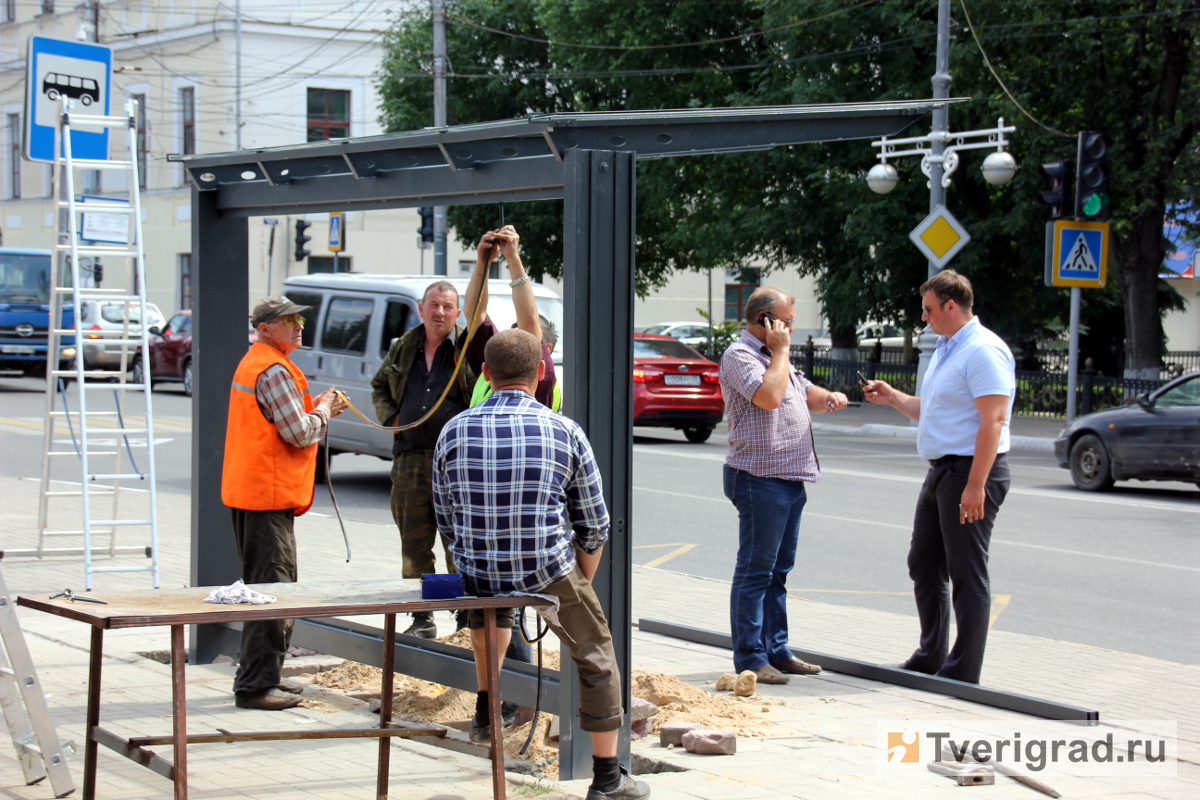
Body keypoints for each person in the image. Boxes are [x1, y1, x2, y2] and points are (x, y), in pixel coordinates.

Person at [433, 329, 650, 800]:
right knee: (596, 658)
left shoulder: (453, 430)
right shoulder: (563, 430)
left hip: (479, 573)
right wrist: (577, 587)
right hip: (548, 570)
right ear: (541, 375)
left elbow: (447, 520)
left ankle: (487, 710)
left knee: (488, 607)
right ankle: (608, 779)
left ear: (485, 374)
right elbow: (595, 525)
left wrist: (478, 556)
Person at [370, 225, 556, 639]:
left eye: (446, 306)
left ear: (540, 358)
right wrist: (483, 263)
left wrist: (511, 259)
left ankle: (487, 659)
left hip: (505, 497)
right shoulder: (491, 364)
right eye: (433, 305)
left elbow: (522, 320)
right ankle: (454, 634)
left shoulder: (537, 379)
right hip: (450, 472)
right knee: (436, 559)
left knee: (487, 587)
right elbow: (476, 316)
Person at [862, 270, 1015, 684]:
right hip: (941, 472)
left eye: (929, 310)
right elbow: (933, 410)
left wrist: (976, 485)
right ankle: (932, 654)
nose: (924, 318)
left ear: (951, 305)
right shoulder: (948, 348)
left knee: (967, 572)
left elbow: (994, 420)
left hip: (971, 471)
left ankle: (963, 671)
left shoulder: (984, 351)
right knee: (924, 563)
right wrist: (893, 397)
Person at [222, 294, 347, 710]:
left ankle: (263, 677)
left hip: (256, 494)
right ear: (264, 328)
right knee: (271, 594)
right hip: (265, 498)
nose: (298, 325)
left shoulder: (259, 362)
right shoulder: (273, 370)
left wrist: (317, 411)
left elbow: (284, 425)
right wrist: (325, 410)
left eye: (298, 319)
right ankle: (256, 686)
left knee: (270, 590)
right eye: (287, 320)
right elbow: (298, 432)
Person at [719, 287, 848, 686]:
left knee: (778, 572)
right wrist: (780, 350)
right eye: (786, 321)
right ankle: (751, 657)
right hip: (759, 476)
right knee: (756, 570)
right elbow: (770, 397)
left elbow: (802, 391)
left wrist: (830, 398)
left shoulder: (778, 358)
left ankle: (777, 650)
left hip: (789, 477)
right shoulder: (740, 355)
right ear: (763, 321)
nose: (791, 329)